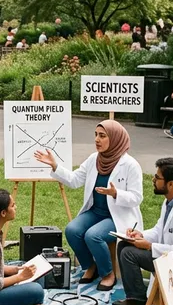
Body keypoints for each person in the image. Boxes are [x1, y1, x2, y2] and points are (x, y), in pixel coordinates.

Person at [37, 121, 143, 291]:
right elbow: (74, 180)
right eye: (95, 135)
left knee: (93, 236)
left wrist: (116, 194)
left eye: (102, 136)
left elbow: (137, 198)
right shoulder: (94, 159)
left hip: (118, 216)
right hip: (96, 212)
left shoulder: (130, 165)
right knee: (72, 230)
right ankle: (90, 266)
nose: (97, 139)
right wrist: (55, 166)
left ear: (115, 139)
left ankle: (108, 274)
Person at [114, 158, 173, 305]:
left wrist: (150, 246)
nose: (153, 180)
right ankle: (135, 297)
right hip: (168, 257)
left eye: (157, 178)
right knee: (124, 244)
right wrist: (140, 235)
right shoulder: (169, 201)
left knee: (128, 254)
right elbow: (160, 230)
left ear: (171, 184)